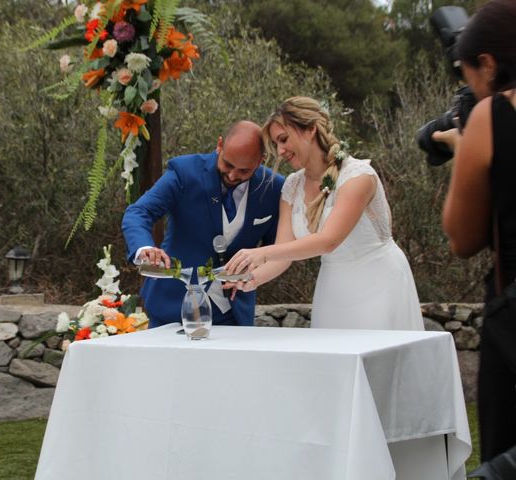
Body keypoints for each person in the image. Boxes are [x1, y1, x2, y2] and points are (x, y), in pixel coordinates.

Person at [224, 96, 424, 331]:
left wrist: (260, 254)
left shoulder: (358, 177)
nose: (280, 151)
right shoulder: (292, 185)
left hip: (380, 285)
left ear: (310, 129)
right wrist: (251, 279)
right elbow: (284, 254)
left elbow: (328, 241)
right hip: (333, 290)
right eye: (276, 145)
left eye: (283, 139)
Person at [436, 0, 516, 466]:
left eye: (469, 78)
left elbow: (462, 238)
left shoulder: (493, 116)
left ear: (488, 63)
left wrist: (464, 149)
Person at [122, 121, 285, 328]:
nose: (233, 175)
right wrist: (144, 248)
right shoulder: (184, 172)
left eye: (244, 171)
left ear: (261, 160)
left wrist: (253, 273)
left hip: (233, 313)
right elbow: (139, 212)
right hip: (172, 307)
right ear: (219, 145)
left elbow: (276, 249)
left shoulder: (273, 188)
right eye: (227, 164)